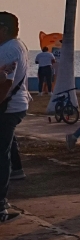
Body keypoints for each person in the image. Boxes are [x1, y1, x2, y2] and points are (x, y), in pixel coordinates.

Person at [0, 12, 29, 222]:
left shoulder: (8, 50)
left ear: (3, 29)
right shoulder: (16, 46)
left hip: (7, 108)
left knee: (1, 155)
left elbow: (5, 84)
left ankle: (0, 205)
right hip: (12, 106)